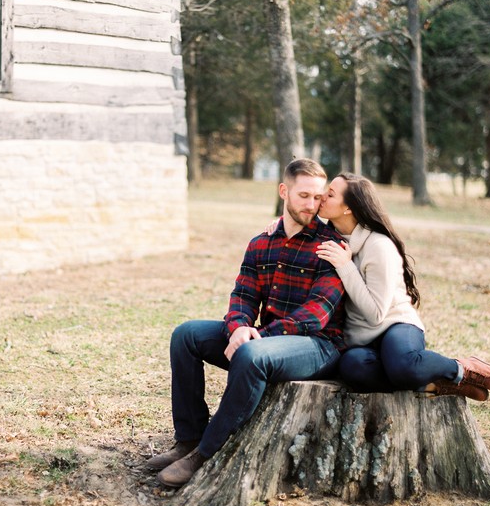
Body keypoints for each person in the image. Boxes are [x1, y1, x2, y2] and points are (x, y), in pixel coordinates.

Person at [147, 158, 346, 488]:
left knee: (251, 356)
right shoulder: (261, 242)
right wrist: (239, 326)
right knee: (186, 335)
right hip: (265, 338)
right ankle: (188, 439)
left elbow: (315, 315)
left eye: (317, 197)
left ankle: (205, 454)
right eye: (303, 196)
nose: (312, 205)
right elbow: (243, 295)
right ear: (284, 191)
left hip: (319, 346)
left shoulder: (331, 246)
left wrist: (258, 336)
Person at [312, 173, 490, 400]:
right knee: (352, 369)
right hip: (360, 341)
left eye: (330, 194)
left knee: (404, 367)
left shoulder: (378, 246)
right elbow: (297, 227)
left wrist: (346, 266)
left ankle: (463, 369)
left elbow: (376, 314)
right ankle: (433, 382)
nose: (321, 197)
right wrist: (278, 226)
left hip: (395, 325)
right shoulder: (328, 239)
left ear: (348, 208)